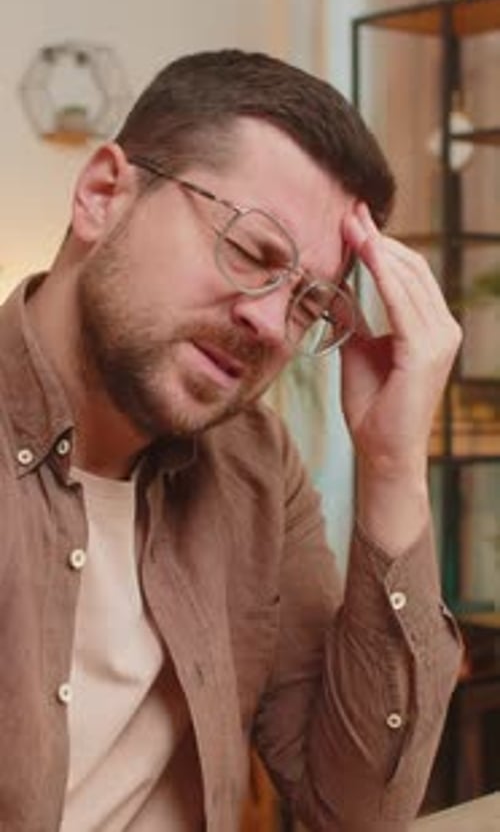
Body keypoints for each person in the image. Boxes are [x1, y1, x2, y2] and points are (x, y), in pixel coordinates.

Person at [0, 49, 462, 832]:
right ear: (104, 194)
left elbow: (352, 808)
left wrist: (390, 468)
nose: (270, 323)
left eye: (311, 303)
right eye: (252, 253)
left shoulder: (256, 463)